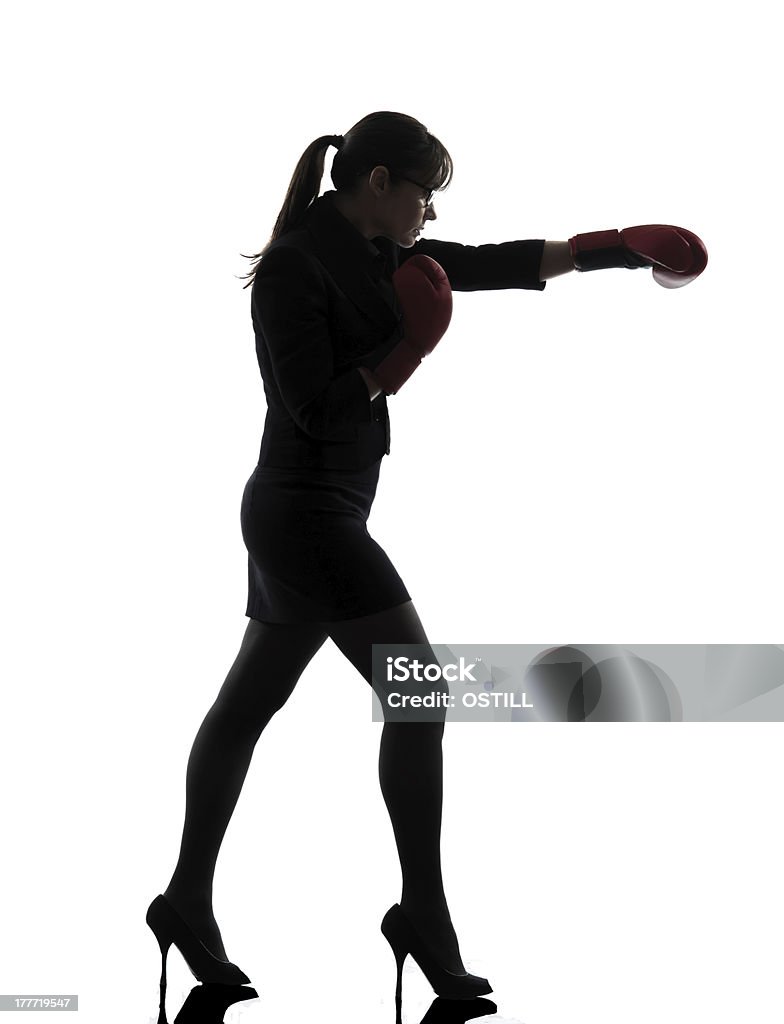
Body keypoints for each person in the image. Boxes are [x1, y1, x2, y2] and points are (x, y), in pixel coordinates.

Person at [145, 110, 707, 1019]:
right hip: (302, 515)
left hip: (327, 512)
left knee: (248, 704)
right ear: (377, 183)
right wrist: (403, 355)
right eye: (423, 193)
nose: (430, 213)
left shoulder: (375, 249)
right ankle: (424, 916)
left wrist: (615, 249)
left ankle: (184, 903)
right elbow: (315, 409)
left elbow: (479, 263)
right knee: (419, 691)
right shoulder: (296, 266)